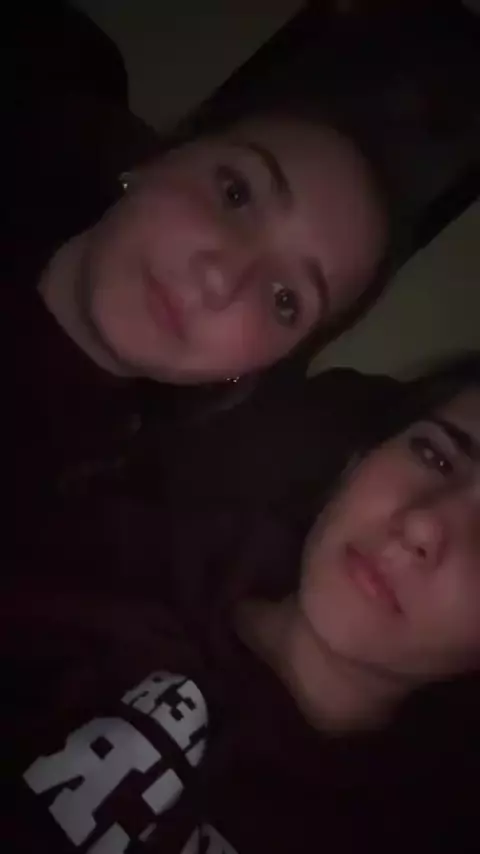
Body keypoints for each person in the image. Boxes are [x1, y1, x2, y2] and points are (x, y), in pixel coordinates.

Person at [4, 351, 479, 853]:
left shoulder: (415, 828)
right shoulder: (116, 549)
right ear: (361, 457)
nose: (422, 525)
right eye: (437, 457)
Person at [9, 86, 395, 594]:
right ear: (157, 160)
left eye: (285, 299)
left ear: (256, 366)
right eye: (236, 194)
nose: (221, 278)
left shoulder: (110, 555)